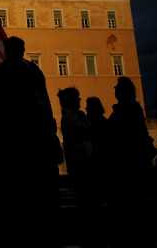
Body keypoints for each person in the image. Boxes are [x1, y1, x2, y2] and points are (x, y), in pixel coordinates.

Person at [0, 36, 62, 246]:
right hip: (32, 139)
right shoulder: (32, 71)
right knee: (33, 195)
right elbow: (44, 104)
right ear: (22, 50)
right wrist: (49, 131)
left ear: (7, 51)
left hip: (8, 142)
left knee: (11, 196)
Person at [106, 77, 156, 246]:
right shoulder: (132, 111)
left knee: (131, 213)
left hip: (127, 170)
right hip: (129, 168)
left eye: (117, 88)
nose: (115, 90)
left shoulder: (127, 112)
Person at [58, 87, 98, 245]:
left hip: (82, 163)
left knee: (86, 202)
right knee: (86, 202)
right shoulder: (71, 117)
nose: (80, 101)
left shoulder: (72, 117)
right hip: (81, 164)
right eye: (77, 98)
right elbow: (84, 132)